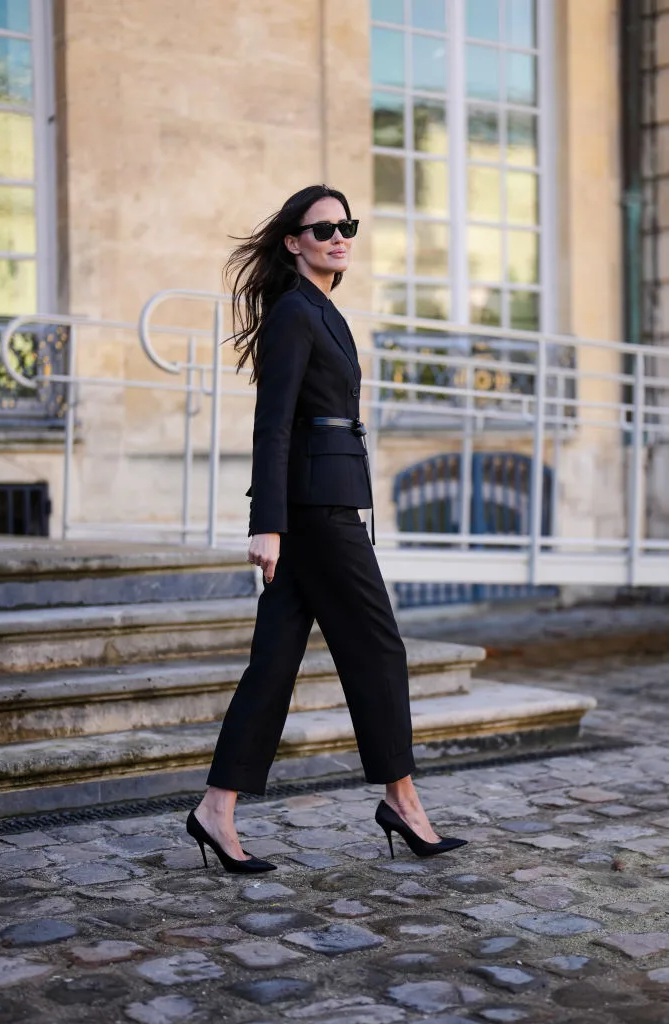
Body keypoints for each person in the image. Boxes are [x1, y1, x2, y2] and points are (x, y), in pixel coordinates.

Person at [186, 184, 467, 874]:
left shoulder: (322, 309)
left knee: (275, 664)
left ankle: (214, 811)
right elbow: (272, 422)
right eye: (322, 229)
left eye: (347, 226)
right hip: (313, 513)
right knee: (378, 648)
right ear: (293, 242)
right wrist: (267, 525)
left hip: (328, 498)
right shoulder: (293, 313)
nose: (338, 237)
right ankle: (401, 802)